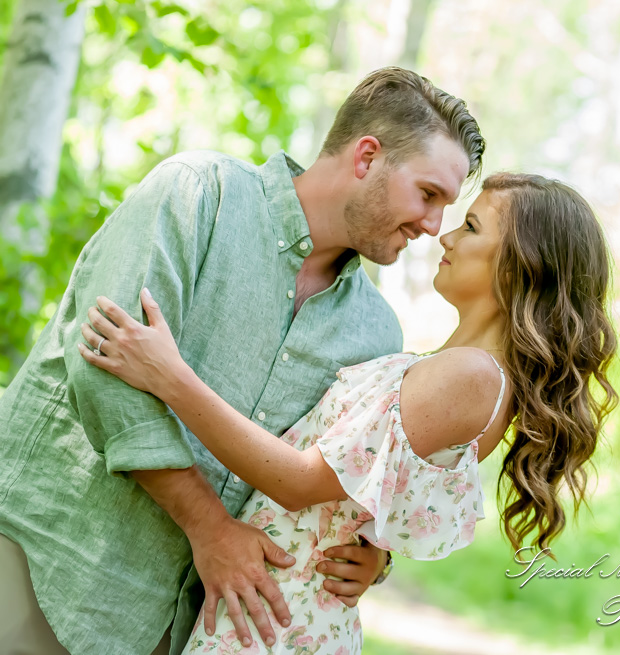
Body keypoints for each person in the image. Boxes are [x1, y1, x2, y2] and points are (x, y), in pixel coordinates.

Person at [0, 67, 485, 655]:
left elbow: (340, 477)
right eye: (428, 194)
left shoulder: (375, 331)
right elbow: (104, 372)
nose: (434, 226)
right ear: (366, 158)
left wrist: (370, 559)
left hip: (177, 621)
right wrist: (210, 528)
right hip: (47, 561)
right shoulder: (198, 193)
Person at [78, 172, 620, 654]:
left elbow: (301, 482)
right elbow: (381, 499)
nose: (446, 236)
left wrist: (170, 377)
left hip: (278, 619)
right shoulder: (464, 371)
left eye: (472, 227)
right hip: (282, 605)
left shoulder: (475, 377)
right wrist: (376, 559)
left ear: (524, 263)